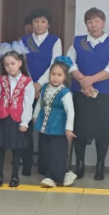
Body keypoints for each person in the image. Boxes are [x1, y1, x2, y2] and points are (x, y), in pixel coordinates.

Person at [67, 8, 109, 181]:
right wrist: (83, 80)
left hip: (103, 94)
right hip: (80, 92)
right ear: (86, 24)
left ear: (103, 23)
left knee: (101, 130)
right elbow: (69, 63)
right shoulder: (78, 42)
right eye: (89, 22)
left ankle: (100, 165)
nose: (93, 25)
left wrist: (90, 80)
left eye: (97, 21)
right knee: (80, 130)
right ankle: (80, 165)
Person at [21, 9, 61, 175]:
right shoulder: (24, 40)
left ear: (48, 24)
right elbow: (22, 64)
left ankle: (44, 165)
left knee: (45, 127)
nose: (39, 25)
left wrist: (39, 84)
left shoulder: (55, 40)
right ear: (31, 23)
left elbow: (54, 64)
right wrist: (31, 85)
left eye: (43, 22)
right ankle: (27, 163)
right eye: (36, 21)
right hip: (27, 87)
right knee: (26, 126)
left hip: (47, 87)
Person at [0, 48, 34, 188]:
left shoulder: (27, 81)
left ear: (20, 63)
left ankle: (15, 176)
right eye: (6, 65)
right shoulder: (1, 80)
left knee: (16, 149)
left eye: (13, 63)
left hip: (17, 119)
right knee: (0, 148)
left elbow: (28, 103)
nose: (10, 67)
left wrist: (25, 122)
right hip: (2, 118)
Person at [33, 58, 77, 188]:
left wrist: (69, 128)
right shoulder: (45, 87)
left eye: (59, 75)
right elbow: (40, 103)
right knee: (46, 151)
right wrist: (35, 116)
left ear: (65, 77)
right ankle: (64, 173)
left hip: (58, 126)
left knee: (57, 152)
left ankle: (54, 177)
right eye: (53, 74)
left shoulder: (65, 93)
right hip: (45, 125)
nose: (55, 77)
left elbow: (70, 112)